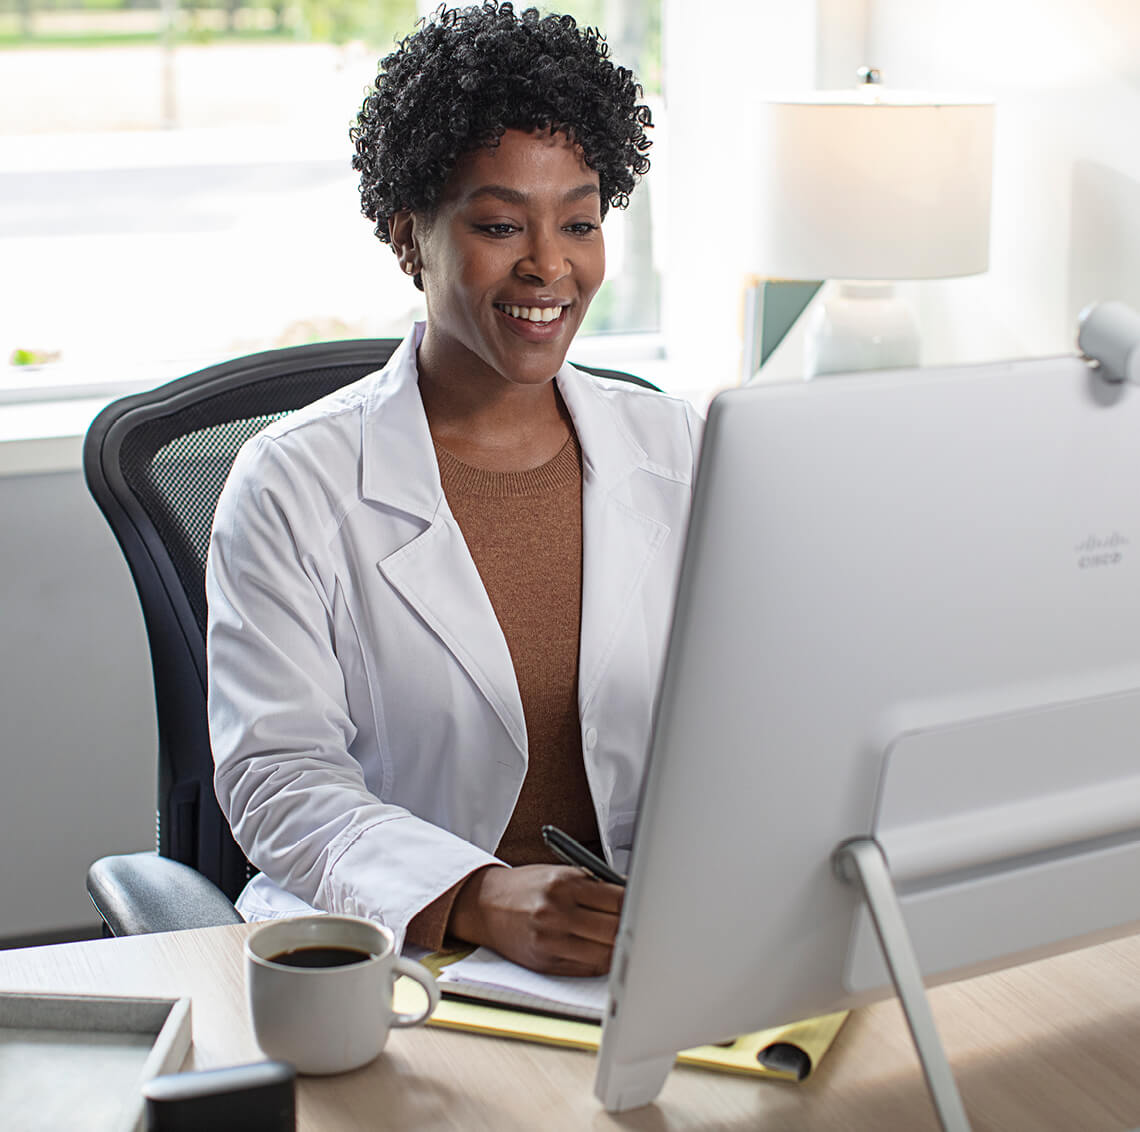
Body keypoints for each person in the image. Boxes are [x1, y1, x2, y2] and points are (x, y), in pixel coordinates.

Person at [206, 1, 702, 977]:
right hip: (410, 953)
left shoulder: (675, 445)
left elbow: (758, 710)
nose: (550, 266)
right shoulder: (293, 483)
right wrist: (478, 894)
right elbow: (278, 777)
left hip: (647, 945)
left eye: (580, 222)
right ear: (409, 238)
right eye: (500, 223)